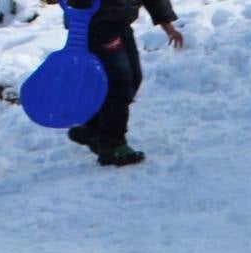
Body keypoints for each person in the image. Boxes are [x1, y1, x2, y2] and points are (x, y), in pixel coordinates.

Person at [64, 0, 184, 166]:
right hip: (96, 24)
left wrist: (167, 25)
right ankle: (112, 144)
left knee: (134, 78)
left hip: (119, 24)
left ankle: (93, 129)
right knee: (119, 84)